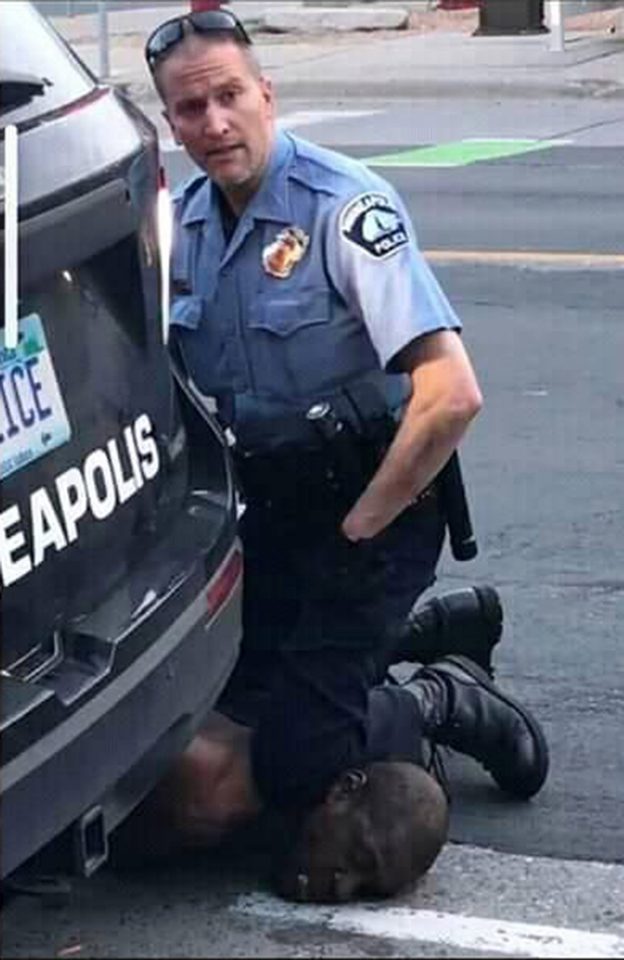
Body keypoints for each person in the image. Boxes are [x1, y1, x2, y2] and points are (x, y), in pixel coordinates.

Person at [137, 8, 549, 899]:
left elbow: (450, 394)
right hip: (273, 512)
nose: (212, 123)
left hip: (379, 507)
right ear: (168, 121)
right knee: (216, 713)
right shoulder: (189, 232)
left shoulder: (343, 207)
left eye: (228, 98)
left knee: (292, 757)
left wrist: (362, 527)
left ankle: (442, 694)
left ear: (266, 95)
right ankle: (416, 631)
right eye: (188, 109)